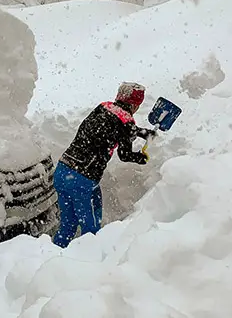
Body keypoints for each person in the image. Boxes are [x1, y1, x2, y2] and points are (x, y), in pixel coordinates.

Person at [52, 82, 156, 248]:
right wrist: (141, 158)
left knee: (68, 225)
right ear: (135, 104)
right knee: (90, 230)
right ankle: (90, 262)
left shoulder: (103, 107)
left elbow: (112, 125)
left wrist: (142, 132)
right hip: (82, 180)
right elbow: (124, 154)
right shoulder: (126, 122)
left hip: (63, 171)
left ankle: (54, 255)